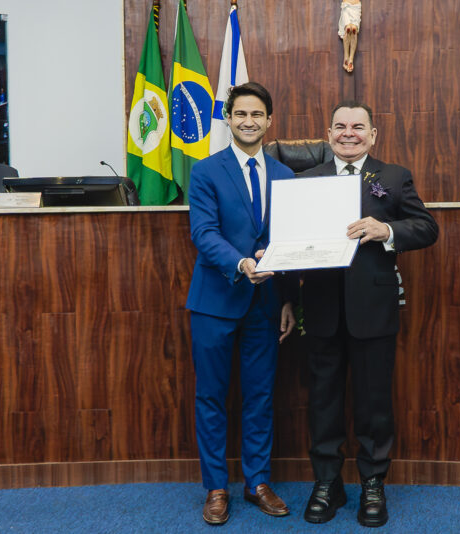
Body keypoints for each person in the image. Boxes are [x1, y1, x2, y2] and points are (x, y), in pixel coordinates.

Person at [299, 100, 438, 528]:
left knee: (374, 402)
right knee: (323, 401)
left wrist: (387, 230)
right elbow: (290, 240)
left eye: (358, 127)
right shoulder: (305, 181)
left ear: (373, 134)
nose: (348, 133)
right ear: (328, 134)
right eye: (340, 126)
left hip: (373, 310)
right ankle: (327, 482)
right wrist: (287, 296)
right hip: (320, 308)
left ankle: (373, 482)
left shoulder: (393, 177)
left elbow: (427, 227)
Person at [186, 82, 296, 526]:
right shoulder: (205, 172)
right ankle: (216, 487)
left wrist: (288, 300)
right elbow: (204, 233)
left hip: (267, 304)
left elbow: (290, 243)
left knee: (260, 396)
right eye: (241, 114)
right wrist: (240, 263)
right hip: (216, 300)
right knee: (211, 397)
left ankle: (256, 482)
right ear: (228, 120)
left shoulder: (286, 177)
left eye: (257, 115)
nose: (249, 121)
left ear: (269, 121)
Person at [338, 0, 361, 73]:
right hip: (346, 7)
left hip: (356, 7)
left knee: (354, 30)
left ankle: (350, 59)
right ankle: (346, 56)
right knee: (348, 29)